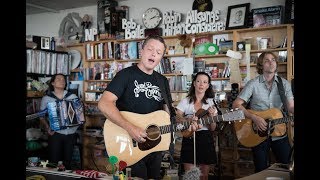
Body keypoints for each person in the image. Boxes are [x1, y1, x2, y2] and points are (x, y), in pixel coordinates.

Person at [98, 35, 198, 179]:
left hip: (155, 146)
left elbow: (168, 115)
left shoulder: (162, 81)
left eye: (158, 52)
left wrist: (185, 123)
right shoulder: (125, 75)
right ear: (142, 50)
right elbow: (104, 103)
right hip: (127, 145)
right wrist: (130, 128)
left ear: (161, 58)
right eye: (150, 49)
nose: (153, 54)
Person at [232, 52, 294, 172]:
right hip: (257, 132)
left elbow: (291, 107)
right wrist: (255, 118)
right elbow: (236, 105)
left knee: (287, 167)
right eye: (267, 60)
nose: (271, 63)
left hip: (279, 131)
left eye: (273, 60)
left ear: (276, 64)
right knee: (261, 169)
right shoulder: (253, 84)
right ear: (261, 65)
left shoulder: (284, 84)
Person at [176, 72, 218, 180]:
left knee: (204, 176)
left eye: (205, 82)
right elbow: (177, 118)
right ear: (194, 83)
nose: (201, 84)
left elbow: (212, 128)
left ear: (208, 86)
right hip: (189, 137)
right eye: (198, 81)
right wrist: (187, 119)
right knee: (189, 176)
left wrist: (212, 117)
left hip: (205, 139)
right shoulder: (185, 101)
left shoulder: (211, 103)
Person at [39, 73, 81, 170]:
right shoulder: (47, 98)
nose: (62, 81)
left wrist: (79, 120)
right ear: (53, 83)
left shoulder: (73, 96)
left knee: (68, 161)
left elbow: (79, 115)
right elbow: (41, 116)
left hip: (71, 134)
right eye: (58, 79)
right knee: (54, 161)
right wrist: (48, 128)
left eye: (63, 79)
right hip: (56, 134)